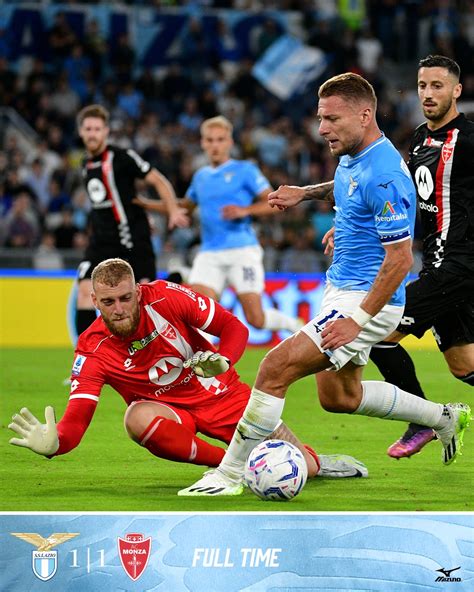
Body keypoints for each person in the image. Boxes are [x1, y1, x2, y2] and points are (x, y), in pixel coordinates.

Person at [179, 72, 471, 497]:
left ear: (365, 115)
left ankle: (228, 474)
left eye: (332, 119)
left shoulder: (387, 175)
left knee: (273, 369)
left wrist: (358, 321)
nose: (322, 129)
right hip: (341, 291)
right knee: (340, 397)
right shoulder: (356, 154)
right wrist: (308, 195)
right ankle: (442, 417)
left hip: (364, 300)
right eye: (320, 118)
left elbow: (400, 259)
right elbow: (349, 188)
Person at [8, 258, 369, 483]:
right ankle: (230, 466)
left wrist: (224, 360)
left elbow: (235, 328)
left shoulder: (167, 296)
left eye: (125, 298)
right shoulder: (91, 348)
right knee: (136, 418)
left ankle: (318, 462)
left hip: (220, 393)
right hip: (169, 411)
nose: (118, 309)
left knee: (300, 467)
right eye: (108, 302)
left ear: (137, 290)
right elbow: (78, 417)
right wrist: (57, 443)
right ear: (94, 301)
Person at [367, 55, 474, 458]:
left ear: (456, 91)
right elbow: (397, 191)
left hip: (459, 264)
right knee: (464, 365)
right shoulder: (418, 139)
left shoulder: (470, 139)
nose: (428, 94)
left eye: (437, 86)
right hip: (438, 265)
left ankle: (425, 420)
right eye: (423, 85)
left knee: (378, 336)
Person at [180, 115, 302, 333]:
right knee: (197, 314)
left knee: (255, 318)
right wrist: (150, 205)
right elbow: (184, 207)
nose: (215, 145)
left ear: (230, 142)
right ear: (202, 143)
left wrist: (245, 210)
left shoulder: (245, 170)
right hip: (209, 253)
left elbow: (272, 202)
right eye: (210, 140)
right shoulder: (200, 176)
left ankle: (293, 325)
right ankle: (204, 364)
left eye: (220, 139)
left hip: (242, 250)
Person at [74, 104, 189, 338]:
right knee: (85, 292)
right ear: (81, 132)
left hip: (132, 240)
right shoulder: (85, 165)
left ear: (106, 131)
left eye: (97, 128)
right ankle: (84, 363)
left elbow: (158, 180)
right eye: (88, 128)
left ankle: (174, 280)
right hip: (101, 242)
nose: (92, 133)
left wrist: (173, 210)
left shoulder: (122, 157)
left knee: (144, 301)